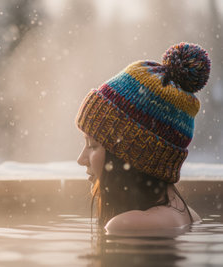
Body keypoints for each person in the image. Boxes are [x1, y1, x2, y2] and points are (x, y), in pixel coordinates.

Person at [75, 42, 210, 234]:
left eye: (93, 145)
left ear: (133, 154)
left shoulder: (126, 225)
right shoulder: (190, 216)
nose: (81, 159)